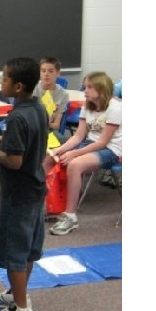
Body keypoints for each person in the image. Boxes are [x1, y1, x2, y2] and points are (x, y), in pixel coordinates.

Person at [0, 57, 48, 311]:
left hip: (19, 194)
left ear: (19, 86)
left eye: (6, 78)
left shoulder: (17, 117)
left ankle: (22, 310)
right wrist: (3, 141)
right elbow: (28, 143)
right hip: (35, 189)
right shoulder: (38, 107)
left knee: (15, 253)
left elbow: (13, 161)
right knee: (28, 249)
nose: (2, 83)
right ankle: (16, 293)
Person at [44, 71, 122, 235]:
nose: (84, 90)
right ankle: (49, 207)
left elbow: (103, 142)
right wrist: (59, 150)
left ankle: (70, 217)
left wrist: (75, 154)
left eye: (89, 87)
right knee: (50, 159)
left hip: (112, 149)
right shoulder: (87, 106)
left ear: (101, 89)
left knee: (75, 165)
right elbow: (78, 136)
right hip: (91, 144)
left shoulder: (115, 108)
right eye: (85, 86)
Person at [32, 56, 70, 143]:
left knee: (61, 141)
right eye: (43, 71)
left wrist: (46, 124)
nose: (46, 74)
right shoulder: (32, 89)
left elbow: (57, 125)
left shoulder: (63, 94)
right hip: (31, 128)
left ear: (58, 73)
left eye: (50, 71)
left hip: (48, 130)